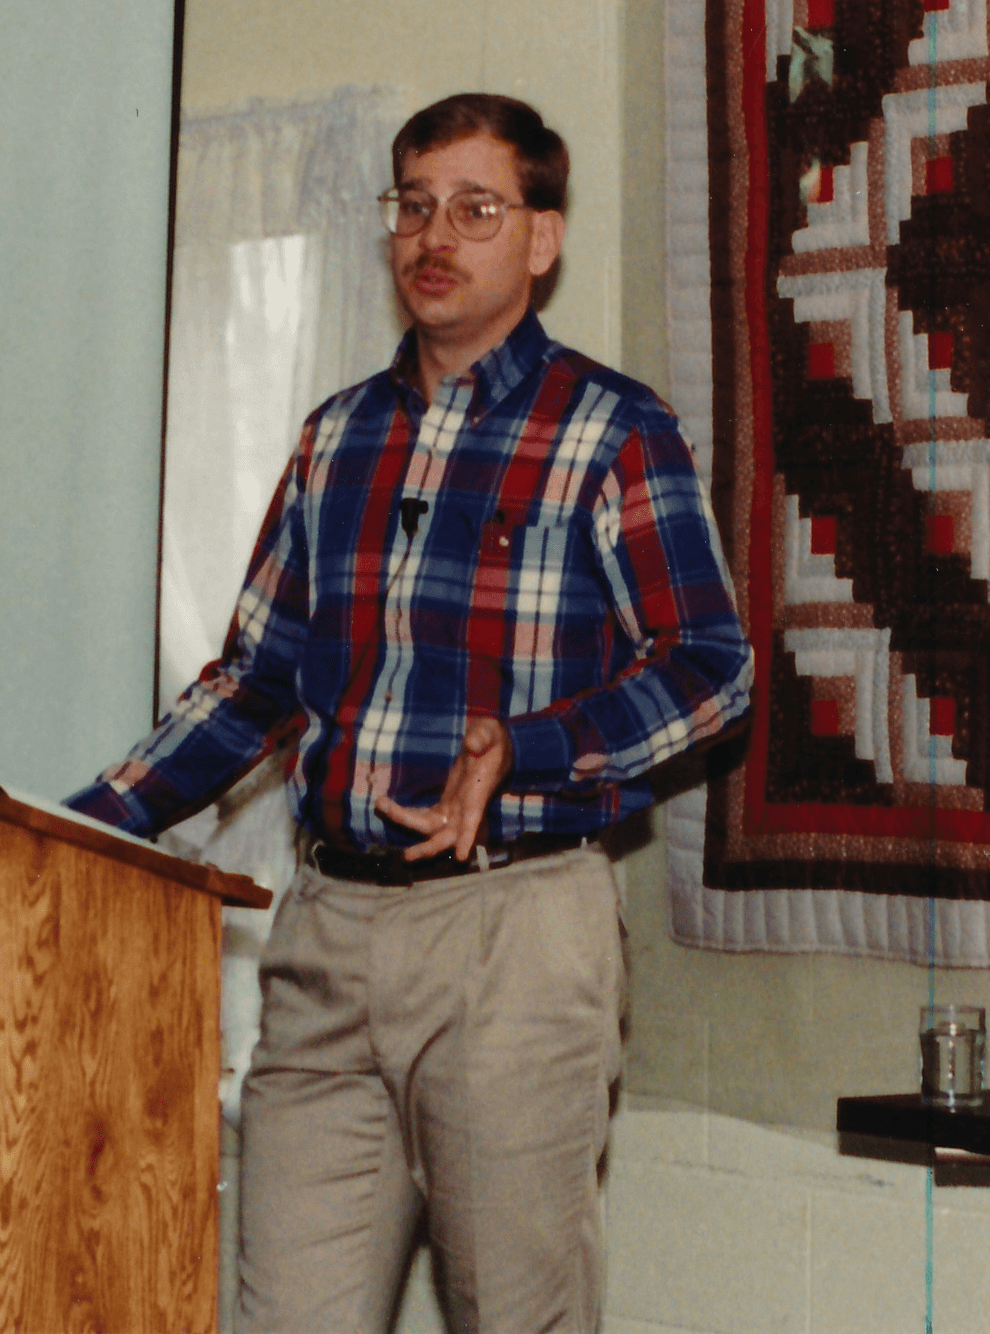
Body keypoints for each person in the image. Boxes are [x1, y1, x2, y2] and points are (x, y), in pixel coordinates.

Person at [67, 93, 752, 1334]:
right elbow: (255, 680)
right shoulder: (338, 437)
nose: (436, 234)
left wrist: (531, 745)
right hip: (324, 935)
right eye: (414, 205)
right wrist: (78, 827)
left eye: (476, 209)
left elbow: (714, 667)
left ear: (541, 240)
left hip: (514, 936)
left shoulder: (611, 430)